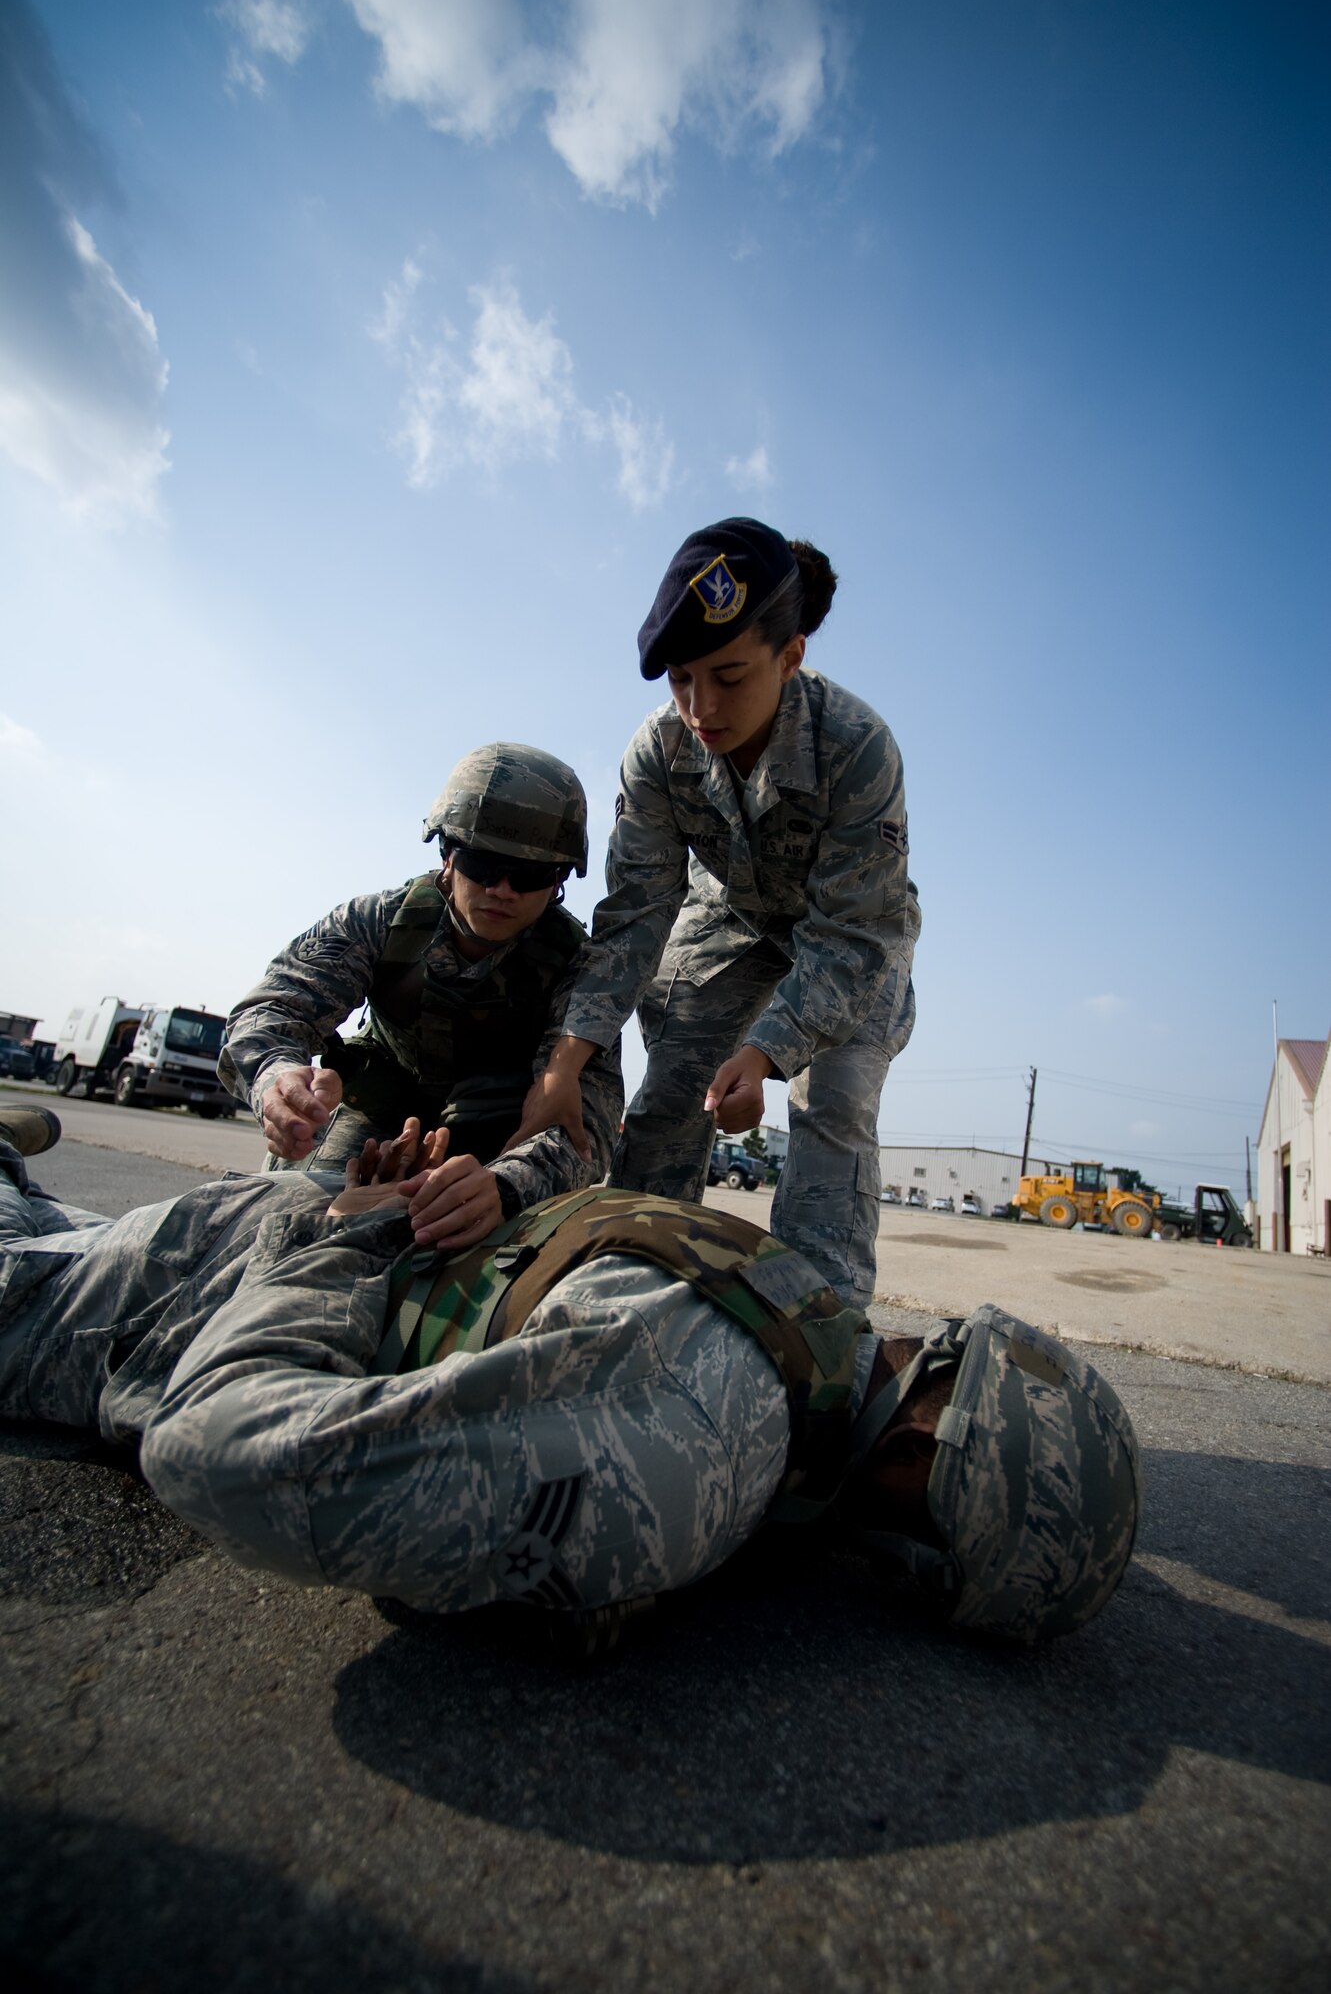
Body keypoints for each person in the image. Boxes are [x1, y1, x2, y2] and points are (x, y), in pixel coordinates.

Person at [0, 1108, 1140, 1643]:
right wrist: (355, 1237)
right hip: (193, 1290)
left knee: (47, 1244)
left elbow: (226, 1447)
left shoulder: (787, 1302)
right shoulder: (707, 1434)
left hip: (198, 1265)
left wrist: (352, 1229)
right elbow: (223, 1451)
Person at [508, 519, 922, 1310]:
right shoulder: (659, 753)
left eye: (730, 677)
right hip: (729, 918)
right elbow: (633, 916)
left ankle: (817, 1322)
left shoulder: (857, 748)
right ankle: (627, 1286)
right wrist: (565, 1066)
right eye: (680, 679)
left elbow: (848, 935)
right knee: (671, 1091)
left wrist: (766, 1054)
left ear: (790, 656)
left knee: (831, 1101)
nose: (701, 706)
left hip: (851, 933)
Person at [220, 743, 623, 1252]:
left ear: (560, 881)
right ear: (447, 855)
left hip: (504, 1129)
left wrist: (506, 1186)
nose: (501, 890)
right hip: (379, 1107)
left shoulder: (579, 971)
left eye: (529, 876)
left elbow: (588, 1127)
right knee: (297, 1218)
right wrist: (276, 1081)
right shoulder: (380, 922)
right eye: (482, 864)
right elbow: (273, 1008)